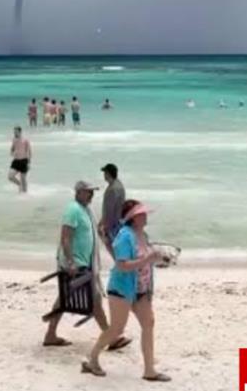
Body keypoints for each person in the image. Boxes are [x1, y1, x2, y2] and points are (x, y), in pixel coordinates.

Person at [82, 200, 169, 381]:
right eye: (142, 214)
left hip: (142, 290)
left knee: (149, 324)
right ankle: (92, 360)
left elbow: (146, 260)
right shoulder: (124, 236)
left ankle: (149, 370)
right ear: (133, 218)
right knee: (116, 329)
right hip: (121, 289)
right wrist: (148, 260)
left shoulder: (142, 234)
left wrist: (159, 260)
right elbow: (122, 265)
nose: (146, 216)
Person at [43, 181, 129, 351]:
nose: (92, 195)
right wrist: (70, 262)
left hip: (85, 263)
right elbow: (66, 237)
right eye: (88, 192)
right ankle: (110, 337)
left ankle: (50, 334)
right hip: (76, 264)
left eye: (93, 192)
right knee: (93, 299)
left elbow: (91, 231)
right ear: (79, 192)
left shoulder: (86, 210)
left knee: (68, 298)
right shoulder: (72, 209)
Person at [98, 163, 126, 255]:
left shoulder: (112, 189)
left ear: (108, 173)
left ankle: (120, 266)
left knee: (113, 249)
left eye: (105, 173)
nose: (104, 175)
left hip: (113, 224)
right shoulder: (119, 185)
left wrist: (104, 226)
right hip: (119, 222)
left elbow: (109, 210)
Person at [8, 126, 32, 193]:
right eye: (14, 132)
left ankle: (25, 194)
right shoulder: (14, 139)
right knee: (10, 176)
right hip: (16, 161)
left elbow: (29, 151)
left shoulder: (25, 140)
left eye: (16, 132)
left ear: (20, 132)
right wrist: (12, 152)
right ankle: (20, 185)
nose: (15, 133)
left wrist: (29, 163)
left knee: (23, 178)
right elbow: (12, 148)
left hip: (24, 161)